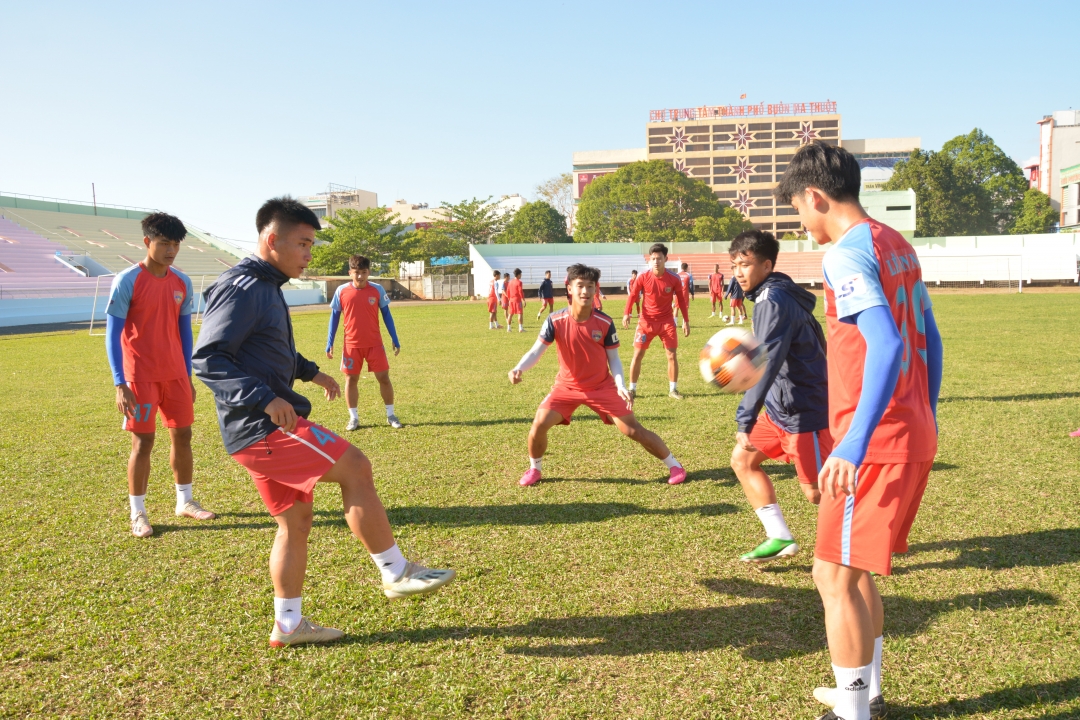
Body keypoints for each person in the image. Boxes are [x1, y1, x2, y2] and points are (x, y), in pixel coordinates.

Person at [193, 197, 454, 648]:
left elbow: (264, 347)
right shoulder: (243, 287)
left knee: (294, 523)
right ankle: (395, 572)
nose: (309, 254)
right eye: (303, 243)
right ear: (272, 240)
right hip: (264, 427)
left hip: (256, 427)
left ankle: (289, 624)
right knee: (356, 467)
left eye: (312, 244)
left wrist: (310, 372)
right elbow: (208, 358)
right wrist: (265, 397)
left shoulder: (265, 284)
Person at [775, 143, 942, 720]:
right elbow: (930, 336)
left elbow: (889, 343)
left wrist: (853, 441)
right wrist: (927, 408)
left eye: (799, 208)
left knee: (830, 574)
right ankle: (863, 693)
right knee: (853, 568)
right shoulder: (894, 243)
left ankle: (852, 714)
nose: (802, 221)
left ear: (815, 196)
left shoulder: (845, 255)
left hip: (872, 442)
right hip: (909, 431)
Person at [509, 263, 686, 487]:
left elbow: (614, 359)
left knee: (632, 430)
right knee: (539, 424)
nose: (585, 291)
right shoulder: (555, 320)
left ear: (595, 289)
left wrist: (621, 385)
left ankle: (674, 465)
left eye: (590, 286)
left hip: (602, 387)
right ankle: (535, 469)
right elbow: (537, 350)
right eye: (580, 286)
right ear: (569, 289)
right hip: (566, 388)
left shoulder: (604, 322)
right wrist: (519, 368)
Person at [105, 212, 216, 538]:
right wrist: (119, 382)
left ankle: (185, 501)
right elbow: (113, 335)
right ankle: (137, 512)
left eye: (175, 244)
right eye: (164, 243)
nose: (171, 250)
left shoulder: (181, 283)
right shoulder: (128, 280)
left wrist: (187, 376)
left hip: (176, 377)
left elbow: (185, 335)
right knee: (144, 441)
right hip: (139, 378)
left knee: (183, 436)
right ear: (147, 242)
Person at [727, 230, 832, 563]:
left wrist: (745, 417)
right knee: (743, 460)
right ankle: (779, 537)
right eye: (734, 265)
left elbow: (766, 362)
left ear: (767, 264)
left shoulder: (772, 301)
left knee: (816, 493)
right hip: (778, 408)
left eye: (746, 264)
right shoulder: (777, 292)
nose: (739, 272)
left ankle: (868, 536)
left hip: (804, 412)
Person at [325, 255, 403, 431]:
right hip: (351, 346)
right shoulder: (341, 291)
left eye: (364, 272)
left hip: (375, 344)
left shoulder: (377, 290)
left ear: (369, 272)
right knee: (351, 379)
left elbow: (387, 315)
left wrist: (394, 338)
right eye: (356, 273)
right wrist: (329, 342)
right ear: (350, 272)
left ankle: (391, 415)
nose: (360, 276)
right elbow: (334, 318)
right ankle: (353, 418)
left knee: (383, 378)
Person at [622, 243, 690, 401]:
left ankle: (673, 389)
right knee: (638, 354)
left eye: (659, 258)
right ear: (649, 260)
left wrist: (685, 321)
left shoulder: (674, 278)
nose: (656, 261)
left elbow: (680, 300)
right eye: (653, 259)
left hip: (667, 323)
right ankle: (632, 389)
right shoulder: (643, 277)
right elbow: (632, 296)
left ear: (666, 259)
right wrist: (627, 313)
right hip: (646, 323)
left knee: (671, 355)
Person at [506, 268, 525, 333]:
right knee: (520, 313)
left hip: (511, 300)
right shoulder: (519, 282)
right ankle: (520, 328)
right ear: (518, 275)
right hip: (517, 300)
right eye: (521, 274)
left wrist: (509, 299)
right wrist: (523, 300)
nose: (521, 275)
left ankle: (508, 328)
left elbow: (508, 291)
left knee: (510, 314)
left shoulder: (510, 282)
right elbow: (520, 291)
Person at [674, 263, 692, 327]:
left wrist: (673, 293)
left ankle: (675, 323)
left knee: (676, 308)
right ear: (686, 268)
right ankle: (684, 324)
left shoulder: (676, 275)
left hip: (677, 294)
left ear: (681, 267)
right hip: (685, 294)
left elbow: (674, 284)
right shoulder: (688, 275)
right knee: (685, 308)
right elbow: (691, 285)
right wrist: (692, 293)